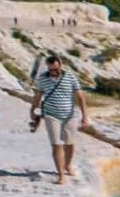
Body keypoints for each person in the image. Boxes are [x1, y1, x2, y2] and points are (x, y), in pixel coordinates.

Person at [30, 53, 90, 186]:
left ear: (61, 65)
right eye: (50, 70)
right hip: (51, 115)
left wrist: (85, 116)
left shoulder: (70, 76)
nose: (53, 72)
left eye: (56, 69)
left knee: (69, 143)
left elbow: (80, 97)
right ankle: (61, 174)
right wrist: (32, 110)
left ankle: (68, 166)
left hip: (70, 115)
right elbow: (37, 96)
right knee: (56, 144)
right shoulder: (42, 79)